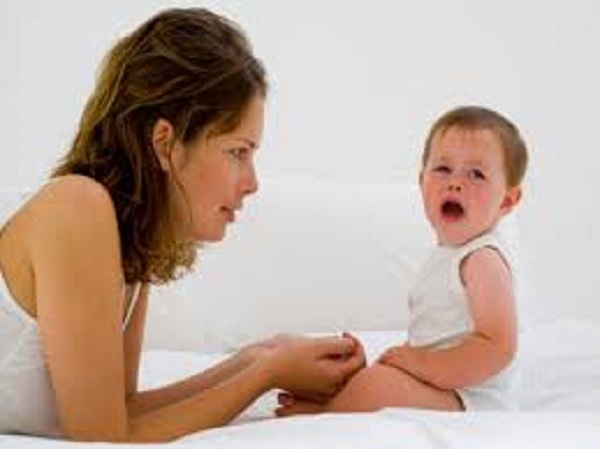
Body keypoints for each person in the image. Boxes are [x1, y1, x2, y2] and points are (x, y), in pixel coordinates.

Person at [0, 8, 365, 442]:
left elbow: (122, 411)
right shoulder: (77, 207)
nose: (252, 183)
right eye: (238, 152)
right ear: (165, 143)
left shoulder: (126, 242)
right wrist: (264, 374)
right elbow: (102, 437)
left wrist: (259, 357)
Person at [276, 105, 528, 415]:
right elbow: (436, 339)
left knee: (377, 386)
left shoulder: (483, 259)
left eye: (476, 174)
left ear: (507, 201)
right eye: (443, 169)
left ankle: (328, 414)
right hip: (441, 385)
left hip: (475, 401)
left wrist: (417, 364)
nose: (455, 183)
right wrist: (408, 362)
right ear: (422, 182)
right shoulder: (447, 256)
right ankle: (339, 403)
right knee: (366, 377)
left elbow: (497, 347)